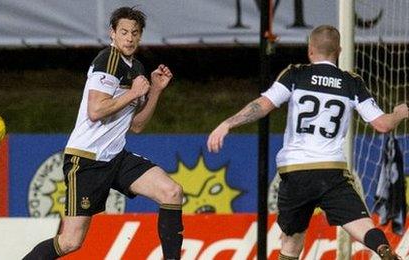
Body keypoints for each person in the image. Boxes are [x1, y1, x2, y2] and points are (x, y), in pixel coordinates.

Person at [207, 25, 406, 260]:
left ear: (310, 50)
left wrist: (228, 123)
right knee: (362, 226)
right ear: (339, 50)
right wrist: (400, 112)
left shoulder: (295, 74)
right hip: (331, 172)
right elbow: (382, 124)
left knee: (291, 244)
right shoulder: (351, 82)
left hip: (296, 171)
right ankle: (383, 248)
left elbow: (263, 105)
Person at [23, 6, 183, 260]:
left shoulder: (138, 68)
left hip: (116, 156)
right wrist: (133, 93)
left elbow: (137, 125)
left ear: (140, 36)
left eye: (134, 33)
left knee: (171, 192)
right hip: (86, 159)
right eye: (124, 32)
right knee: (70, 242)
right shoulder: (108, 60)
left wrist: (155, 91)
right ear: (112, 33)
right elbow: (96, 110)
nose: (129, 38)